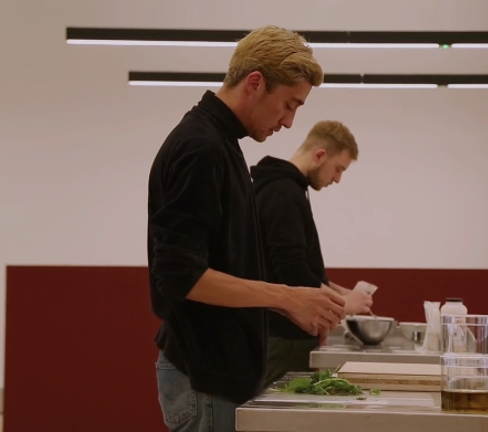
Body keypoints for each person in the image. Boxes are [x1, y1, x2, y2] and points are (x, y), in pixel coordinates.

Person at [146, 26, 347, 432]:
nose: (289, 123)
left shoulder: (222, 143)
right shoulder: (201, 147)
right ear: (255, 82)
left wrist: (288, 301)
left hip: (217, 374)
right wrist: (286, 297)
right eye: (288, 105)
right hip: (204, 377)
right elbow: (181, 277)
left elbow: (227, 267)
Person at [250, 120, 373, 388]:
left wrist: (341, 293)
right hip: (281, 338)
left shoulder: (289, 189)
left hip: (285, 336)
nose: (338, 179)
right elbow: (290, 271)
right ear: (319, 155)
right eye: (338, 169)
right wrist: (341, 305)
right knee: (281, 420)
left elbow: (304, 268)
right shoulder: (283, 192)